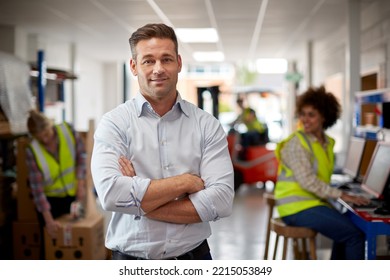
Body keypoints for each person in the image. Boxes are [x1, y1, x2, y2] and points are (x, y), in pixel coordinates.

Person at [91, 23, 234, 260]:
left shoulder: (206, 125)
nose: (158, 69)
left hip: (194, 257)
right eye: (148, 61)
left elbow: (220, 201)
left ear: (178, 63)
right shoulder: (114, 124)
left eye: (166, 59)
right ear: (134, 66)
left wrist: (139, 202)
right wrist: (186, 183)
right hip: (131, 259)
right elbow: (111, 194)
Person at [274, 86, 369, 260]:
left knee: (345, 231)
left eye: (311, 114)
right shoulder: (296, 143)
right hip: (296, 207)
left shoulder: (326, 143)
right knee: (354, 236)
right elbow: (308, 181)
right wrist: (341, 195)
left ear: (324, 116)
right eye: (303, 114)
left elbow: (320, 178)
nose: (305, 119)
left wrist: (341, 193)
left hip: (312, 203)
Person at [25, 109, 87, 259]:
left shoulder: (68, 131)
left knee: (74, 246)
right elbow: (37, 190)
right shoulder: (32, 150)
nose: (45, 140)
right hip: (49, 204)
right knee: (50, 249)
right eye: (40, 138)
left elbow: (81, 157)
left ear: (50, 125)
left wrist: (80, 184)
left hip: (71, 198)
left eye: (46, 134)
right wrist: (48, 220)